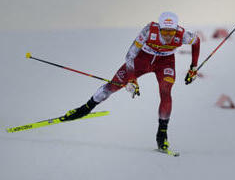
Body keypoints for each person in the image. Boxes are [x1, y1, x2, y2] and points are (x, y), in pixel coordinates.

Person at [63, 12, 200, 150]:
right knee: (113, 86)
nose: (168, 35)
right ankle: (85, 109)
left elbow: (197, 41)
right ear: (159, 28)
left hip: (165, 63)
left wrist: (193, 68)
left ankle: (162, 134)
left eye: (172, 32)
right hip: (142, 60)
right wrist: (132, 79)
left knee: (166, 92)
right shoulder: (149, 31)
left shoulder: (182, 35)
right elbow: (130, 55)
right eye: (165, 31)